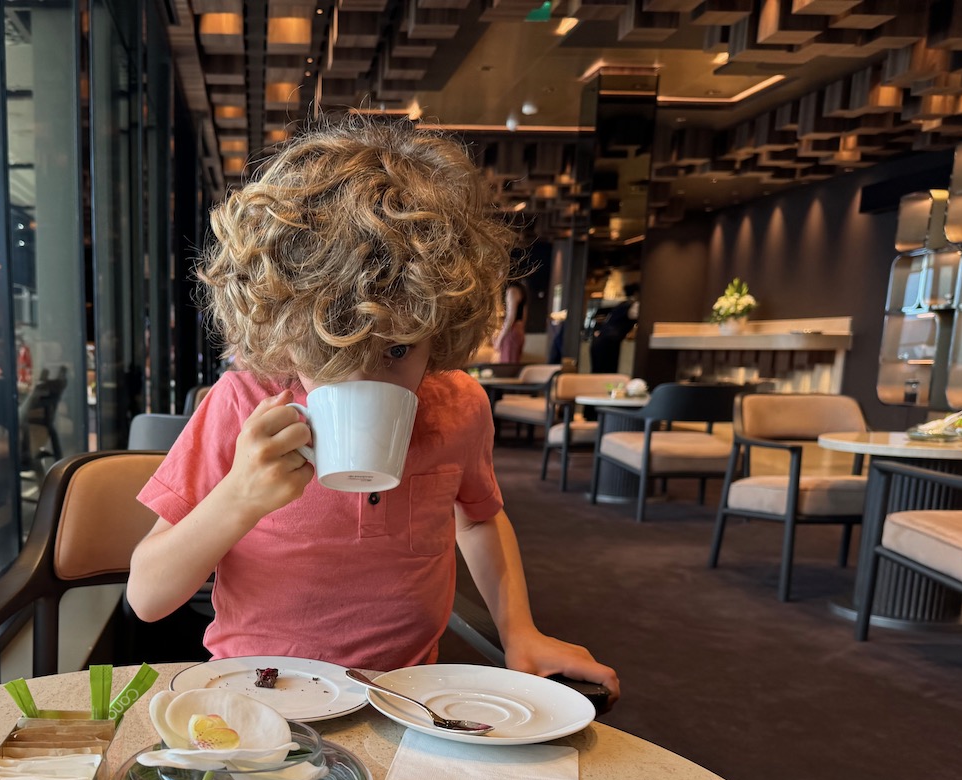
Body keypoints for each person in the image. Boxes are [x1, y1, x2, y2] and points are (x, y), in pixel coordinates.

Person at [126, 118, 618, 701]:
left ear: (443, 326)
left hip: (406, 696)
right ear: (282, 332)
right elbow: (148, 598)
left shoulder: (459, 406)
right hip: (258, 693)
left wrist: (520, 631)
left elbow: (479, 517)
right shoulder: (242, 406)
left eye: (397, 349)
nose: (363, 375)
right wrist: (238, 497)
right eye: (329, 348)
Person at [492, 279, 528, 363]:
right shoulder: (521, 290)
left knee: (507, 365)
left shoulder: (512, 291)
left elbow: (510, 317)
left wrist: (500, 339)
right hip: (518, 330)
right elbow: (525, 315)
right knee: (513, 364)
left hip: (512, 331)